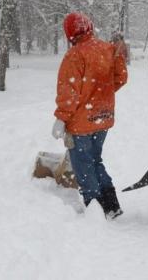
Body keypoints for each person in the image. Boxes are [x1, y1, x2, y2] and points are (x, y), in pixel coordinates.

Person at [52, 12, 128, 219]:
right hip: (103, 117)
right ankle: (111, 204)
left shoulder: (75, 55)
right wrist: (101, 95)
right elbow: (121, 78)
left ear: (70, 33)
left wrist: (61, 118)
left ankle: (96, 208)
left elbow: (69, 92)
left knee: (83, 164)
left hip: (82, 122)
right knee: (95, 159)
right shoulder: (108, 48)